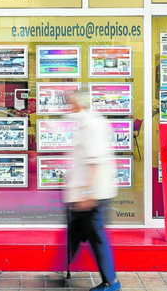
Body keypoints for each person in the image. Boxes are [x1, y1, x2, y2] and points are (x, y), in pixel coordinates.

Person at [64, 91, 120, 291]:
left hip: (92, 195)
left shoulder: (91, 125)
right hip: (85, 193)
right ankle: (64, 266)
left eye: (71, 104)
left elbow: (95, 161)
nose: (69, 107)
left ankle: (111, 282)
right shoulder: (87, 122)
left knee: (96, 237)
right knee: (77, 230)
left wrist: (88, 192)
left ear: (79, 105)